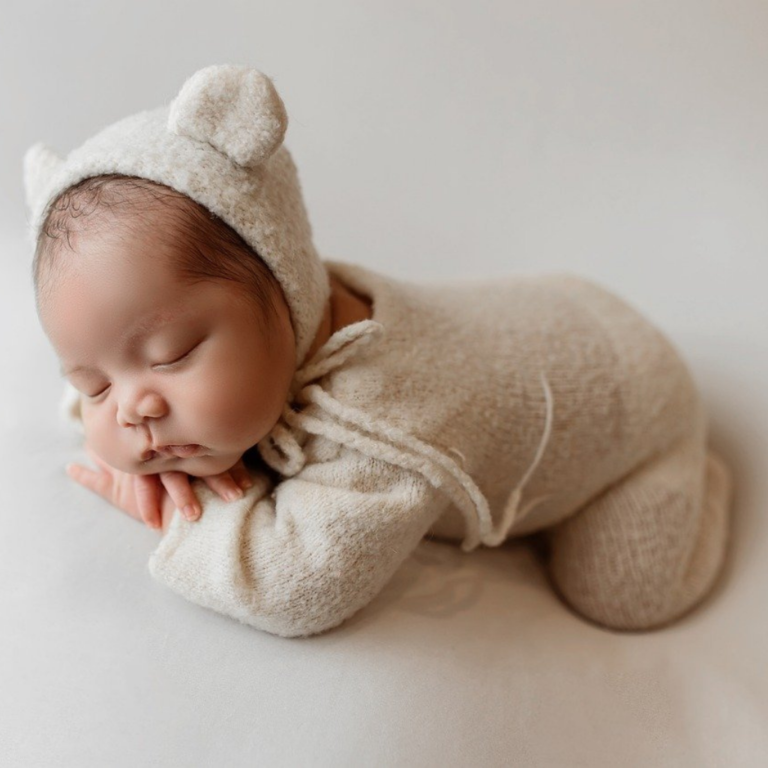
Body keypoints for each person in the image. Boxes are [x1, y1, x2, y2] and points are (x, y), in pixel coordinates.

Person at [23, 64, 733, 638]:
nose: (133, 410)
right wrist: (108, 417)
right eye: (92, 385)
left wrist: (184, 512)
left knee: (625, 594)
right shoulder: (279, 320)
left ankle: (696, 476)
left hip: (630, 397)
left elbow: (292, 585)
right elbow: (116, 366)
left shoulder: (386, 424)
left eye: (172, 354)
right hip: (541, 313)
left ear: (286, 276)